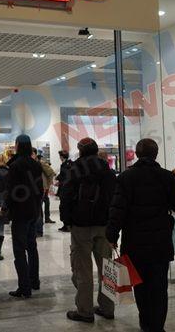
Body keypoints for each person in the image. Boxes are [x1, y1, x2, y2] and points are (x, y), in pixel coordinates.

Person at [106, 138, 175, 332]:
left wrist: (112, 234)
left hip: (134, 243)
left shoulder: (126, 178)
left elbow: (117, 210)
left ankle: (146, 325)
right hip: (160, 243)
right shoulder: (167, 177)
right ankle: (157, 327)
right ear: (156, 154)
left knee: (141, 288)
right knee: (159, 288)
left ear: (137, 154)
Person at [62, 138, 116, 323]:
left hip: (81, 226)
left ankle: (85, 311)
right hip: (104, 225)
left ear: (80, 151)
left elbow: (66, 196)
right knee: (106, 269)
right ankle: (107, 308)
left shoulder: (74, 170)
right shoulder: (107, 171)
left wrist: (67, 221)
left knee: (83, 270)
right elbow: (114, 198)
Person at [2, 134, 43, 298]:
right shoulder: (36, 165)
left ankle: (24, 287)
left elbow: (11, 190)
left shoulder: (15, 166)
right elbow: (40, 189)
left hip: (20, 212)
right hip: (33, 211)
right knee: (32, 247)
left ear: (18, 145)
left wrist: (5, 207)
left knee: (19, 250)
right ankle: (34, 281)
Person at [56, 150, 73, 232]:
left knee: (64, 207)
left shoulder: (66, 165)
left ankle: (67, 225)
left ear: (62, 156)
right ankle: (66, 225)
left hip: (66, 189)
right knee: (64, 207)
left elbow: (65, 176)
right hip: (66, 188)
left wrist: (58, 178)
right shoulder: (69, 164)